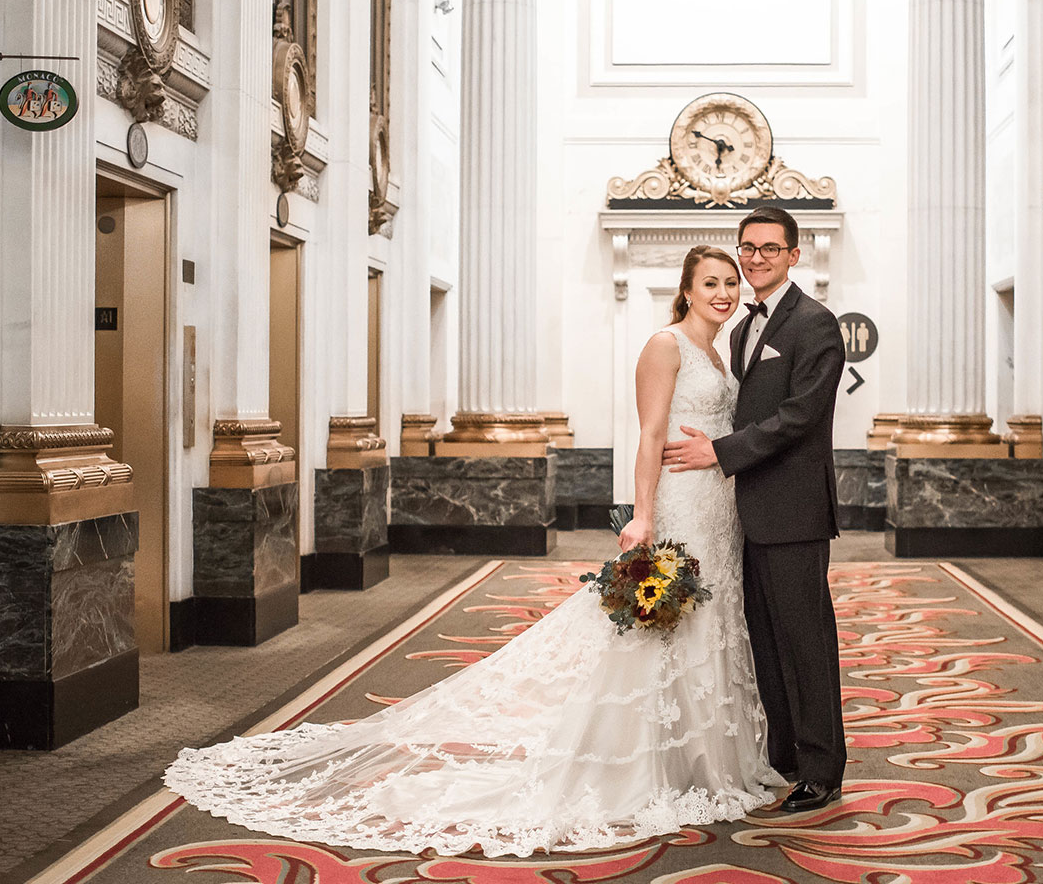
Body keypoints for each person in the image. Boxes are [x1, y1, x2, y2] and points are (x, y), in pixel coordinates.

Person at [163, 245, 785, 857]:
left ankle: (704, 761)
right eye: (711, 283)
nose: (725, 293)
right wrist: (643, 515)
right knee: (663, 630)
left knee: (710, 621)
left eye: (731, 283)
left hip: (719, 507)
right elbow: (649, 434)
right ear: (686, 289)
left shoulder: (720, 351)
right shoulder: (664, 344)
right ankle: (649, 762)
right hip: (679, 502)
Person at [662, 205, 847, 813]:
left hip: (793, 513)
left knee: (805, 642)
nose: (756, 256)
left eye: (770, 247)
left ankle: (822, 771)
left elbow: (799, 416)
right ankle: (786, 759)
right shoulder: (741, 330)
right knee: (763, 645)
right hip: (740, 513)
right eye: (748, 247)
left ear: (795, 255)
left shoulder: (816, 324)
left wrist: (718, 452)